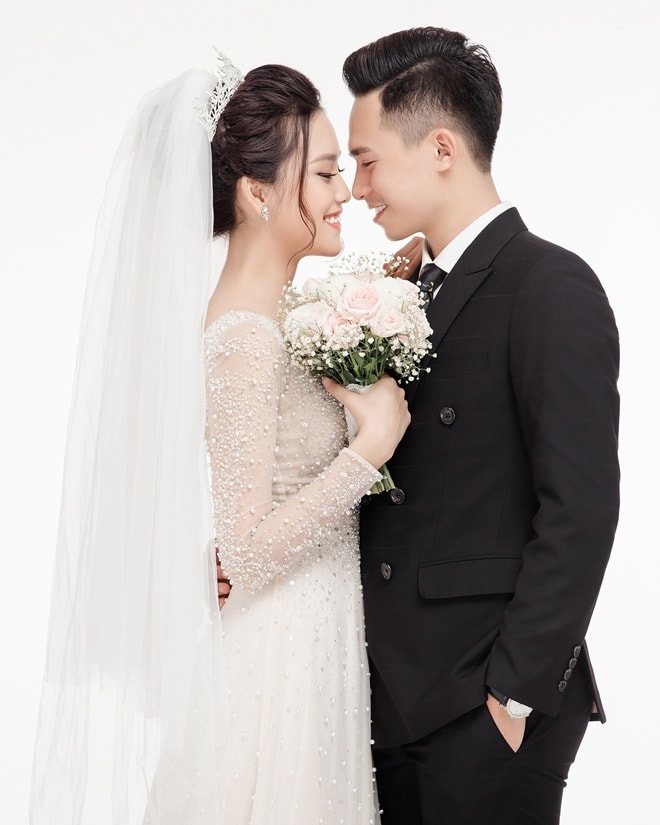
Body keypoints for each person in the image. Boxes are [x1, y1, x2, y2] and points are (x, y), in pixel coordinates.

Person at [30, 54, 409, 825]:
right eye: (325, 174)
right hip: (279, 656)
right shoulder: (244, 336)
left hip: (316, 634)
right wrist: (368, 450)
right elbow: (247, 551)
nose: (344, 193)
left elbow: (244, 530)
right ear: (257, 192)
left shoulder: (287, 316)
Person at [341, 27, 620, 825]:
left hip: (482, 706)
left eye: (367, 160)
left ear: (440, 148)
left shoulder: (551, 284)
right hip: (387, 700)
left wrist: (513, 696)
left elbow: (581, 506)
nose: (357, 187)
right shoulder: (403, 290)